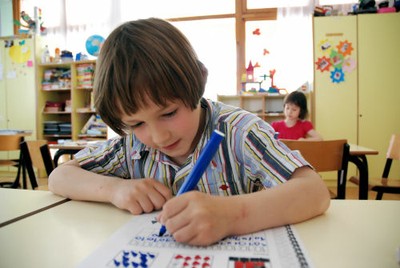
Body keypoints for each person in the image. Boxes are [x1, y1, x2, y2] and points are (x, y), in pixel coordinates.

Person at [48, 18, 330, 246]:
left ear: (196, 85)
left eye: (169, 113)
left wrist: (231, 216)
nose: (159, 137)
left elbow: (315, 192)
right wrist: (116, 190)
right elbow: (60, 176)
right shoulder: (130, 147)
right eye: (137, 123)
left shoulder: (240, 133)